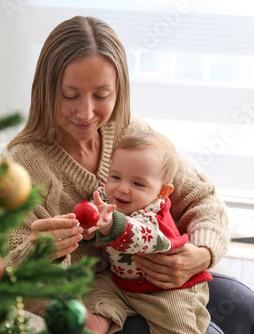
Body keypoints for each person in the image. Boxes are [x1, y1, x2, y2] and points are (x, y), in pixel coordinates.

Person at [3, 15, 254, 334]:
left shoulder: (129, 130)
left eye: (101, 95)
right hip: (97, 297)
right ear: (46, 89)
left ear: (119, 89)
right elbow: (8, 272)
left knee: (243, 304)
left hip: (149, 278)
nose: (86, 113)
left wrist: (200, 254)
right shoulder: (23, 168)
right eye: (70, 95)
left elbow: (202, 197)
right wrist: (40, 254)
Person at [83, 130, 212, 333]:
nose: (122, 189)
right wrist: (87, 228)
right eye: (115, 176)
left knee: (177, 322)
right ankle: (98, 322)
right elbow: (95, 222)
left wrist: (108, 224)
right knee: (96, 292)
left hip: (166, 289)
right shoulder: (106, 199)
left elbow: (141, 237)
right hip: (120, 283)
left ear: (161, 192)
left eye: (137, 183)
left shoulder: (154, 215)